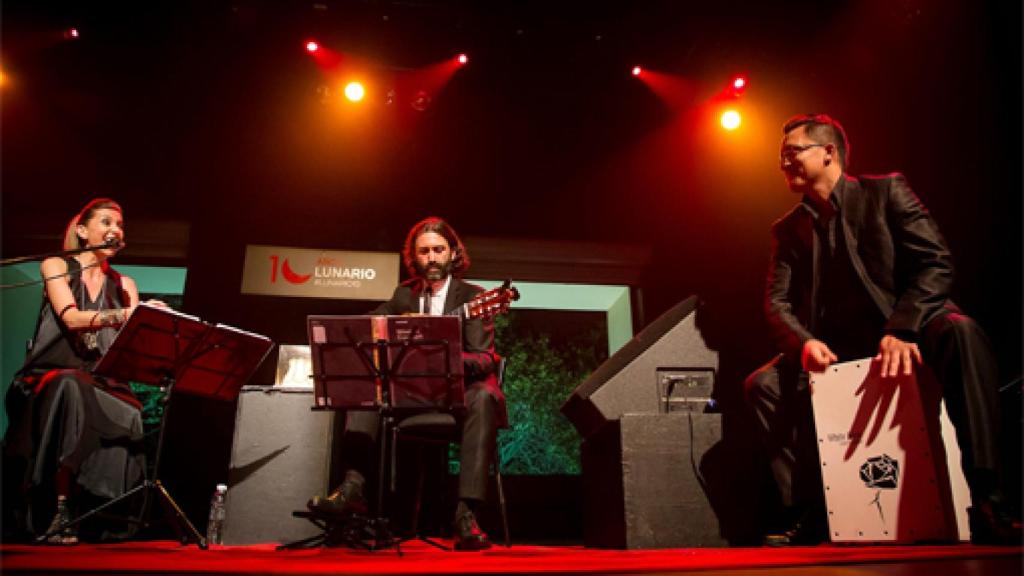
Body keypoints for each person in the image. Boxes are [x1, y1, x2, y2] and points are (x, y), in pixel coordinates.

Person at [744, 114, 1020, 545]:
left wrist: (904, 328)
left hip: (906, 325)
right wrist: (806, 342)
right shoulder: (787, 230)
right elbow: (776, 304)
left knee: (962, 333)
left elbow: (936, 263)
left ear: (828, 152)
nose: (783, 163)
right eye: (781, 157)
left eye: (792, 152)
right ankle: (813, 513)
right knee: (763, 386)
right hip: (838, 346)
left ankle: (989, 499)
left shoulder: (886, 191)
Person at [307, 216, 505, 551]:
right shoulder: (404, 295)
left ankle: (466, 513)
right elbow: (369, 326)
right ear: (414, 257)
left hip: (457, 392)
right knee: (366, 387)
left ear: (453, 253)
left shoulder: (475, 297)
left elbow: (484, 359)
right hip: (412, 394)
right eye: (424, 251)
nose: (431, 257)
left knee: (484, 396)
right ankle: (353, 488)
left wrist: (439, 357)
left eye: (439, 249)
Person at [3, 198, 163, 544]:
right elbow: (72, 318)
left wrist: (153, 325)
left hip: (102, 378)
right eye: (106, 223)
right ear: (82, 230)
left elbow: (131, 340)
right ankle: (57, 508)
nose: (114, 231)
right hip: (49, 374)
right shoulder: (56, 266)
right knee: (70, 386)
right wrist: (127, 315)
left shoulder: (125, 285)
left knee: (131, 408)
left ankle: (105, 513)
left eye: (119, 226)